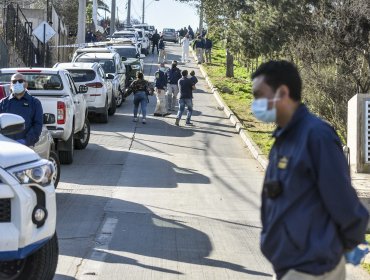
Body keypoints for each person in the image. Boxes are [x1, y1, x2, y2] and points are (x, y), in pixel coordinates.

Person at [251, 60, 369, 280]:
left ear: (283, 92)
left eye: (259, 95)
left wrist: (345, 244)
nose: (255, 103)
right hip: (292, 265)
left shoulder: (316, 136)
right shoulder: (284, 138)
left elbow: (342, 199)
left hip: (311, 268)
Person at [0, 73, 43, 146]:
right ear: (10, 85)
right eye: (14, 82)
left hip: (27, 147)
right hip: (6, 146)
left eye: (20, 81)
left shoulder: (35, 103)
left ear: (26, 84)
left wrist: (26, 141)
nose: (17, 83)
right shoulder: (3, 103)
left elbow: (37, 125)